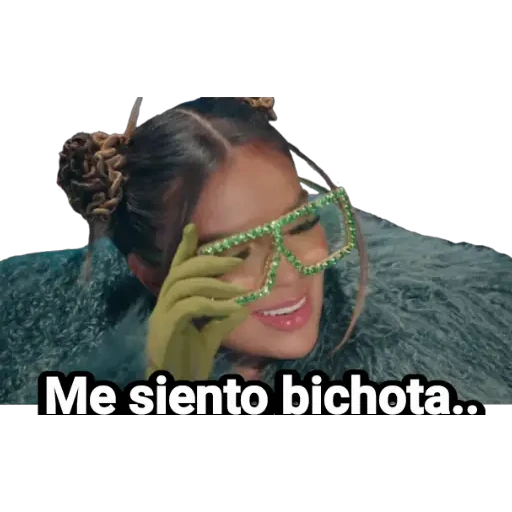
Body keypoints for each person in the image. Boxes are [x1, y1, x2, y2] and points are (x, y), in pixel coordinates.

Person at [1, 96, 511, 406]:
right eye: (236, 252)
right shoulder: (45, 365)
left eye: (301, 224)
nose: (289, 275)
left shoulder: (443, 345)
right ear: (152, 276)